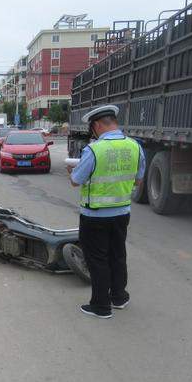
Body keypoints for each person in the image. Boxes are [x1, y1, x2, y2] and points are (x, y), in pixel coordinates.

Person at [68, 105, 146, 319]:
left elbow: (76, 180)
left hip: (95, 216)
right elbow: (138, 180)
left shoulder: (94, 150)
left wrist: (72, 171)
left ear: (96, 125)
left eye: (92, 128)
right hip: (122, 213)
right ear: (114, 122)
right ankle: (119, 298)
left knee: (97, 259)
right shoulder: (135, 146)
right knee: (118, 255)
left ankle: (101, 306)